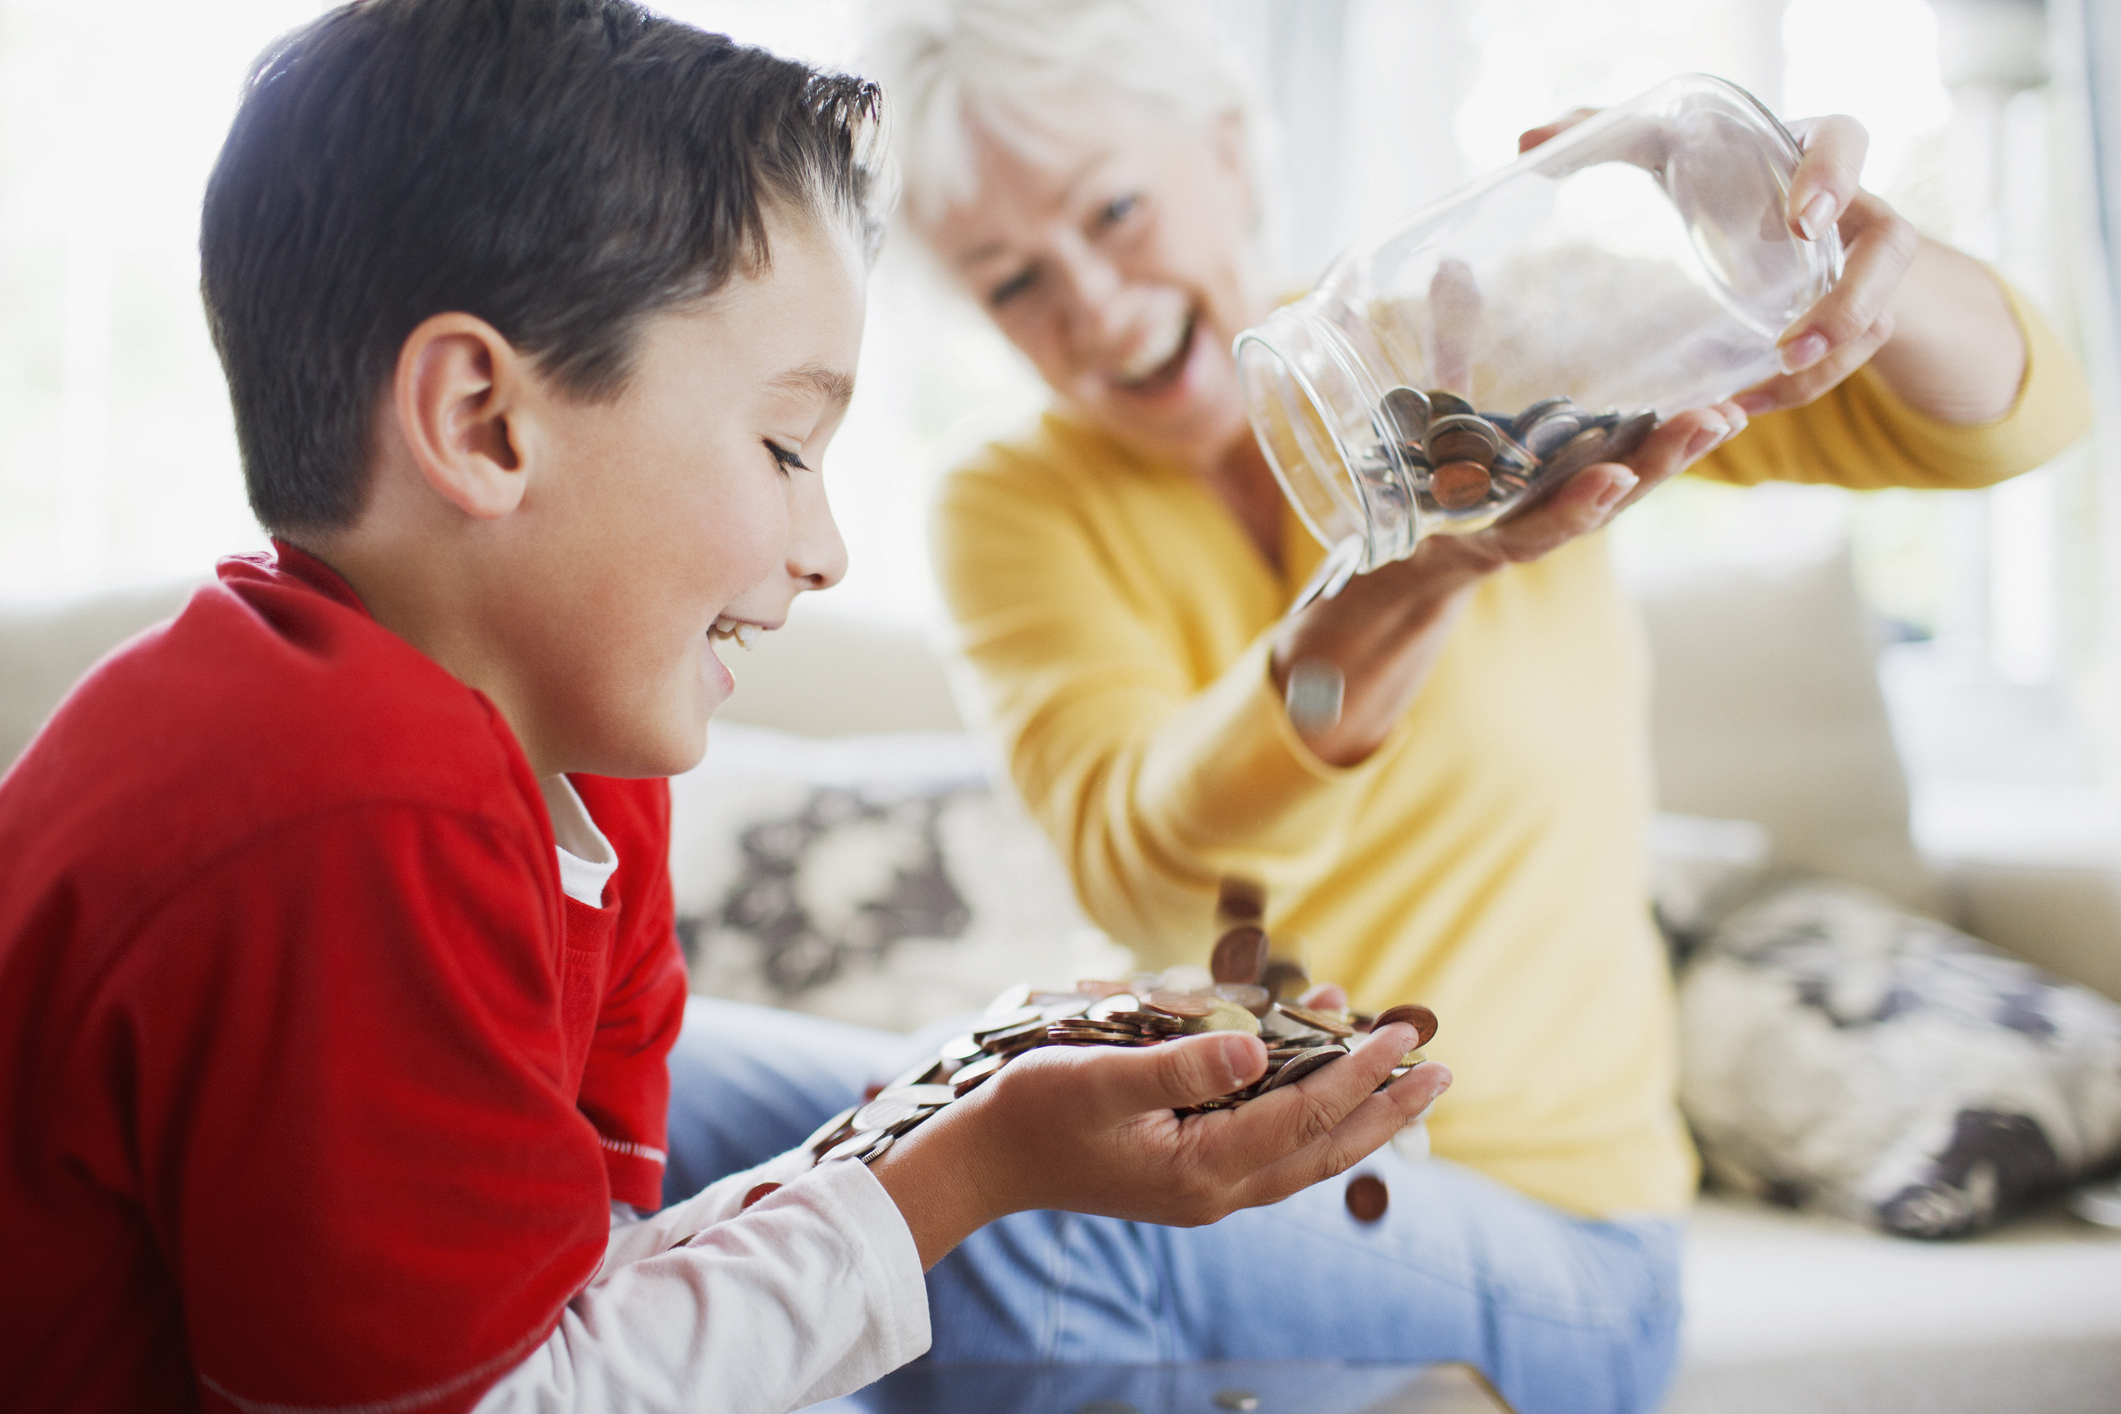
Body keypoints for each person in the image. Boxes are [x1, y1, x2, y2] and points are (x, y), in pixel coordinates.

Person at [0, 3, 1449, 1410]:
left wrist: (948, 1111)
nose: (825, 551)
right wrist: (969, 1169)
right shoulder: (342, 797)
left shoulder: (570, 764)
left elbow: (585, 1309)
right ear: (482, 424)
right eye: (781, 444)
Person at [794, 0, 2085, 1409]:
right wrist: (1396, 589)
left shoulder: (1479, 346)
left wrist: (1842, 254)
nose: (1091, 304)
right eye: (1013, 281)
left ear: (1227, 150)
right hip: (1221, 1180)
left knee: (967, 1230)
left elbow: (2006, 418)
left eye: (1112, 211)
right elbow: (1150, 876)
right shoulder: (1015, 496)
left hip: (1536, 1216)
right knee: (773, 1142)